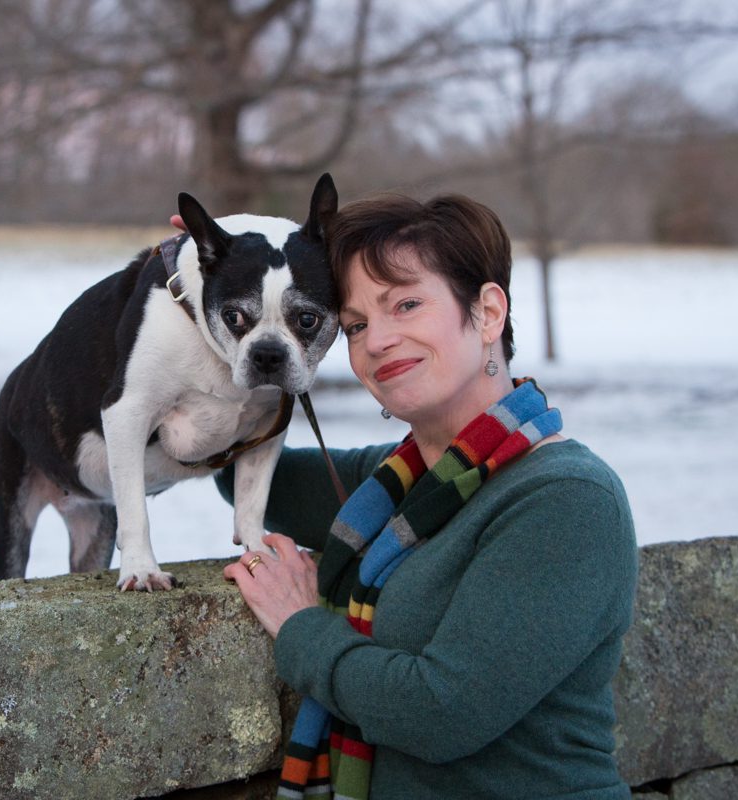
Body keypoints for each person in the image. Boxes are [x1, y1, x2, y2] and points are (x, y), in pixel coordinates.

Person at [193, 193, 638, 799]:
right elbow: (230, 462)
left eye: (405, 304)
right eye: (355, 325)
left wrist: (300, 626)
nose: (377, 341)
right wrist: (209, 285)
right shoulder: (395, 486)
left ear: (487, 312)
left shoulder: (565, 500)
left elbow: (441, 713)